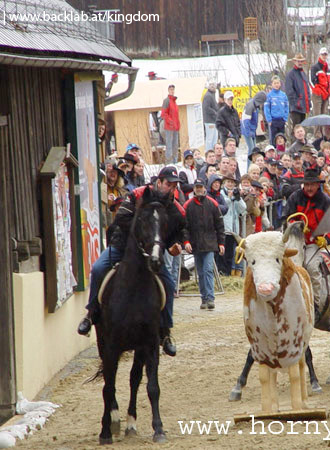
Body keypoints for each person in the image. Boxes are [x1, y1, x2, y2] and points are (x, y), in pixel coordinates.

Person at [78, 166, 187, 358]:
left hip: (153, 253)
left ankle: (166, 331)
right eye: (168, 184)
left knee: (169, 285)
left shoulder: (176, 208)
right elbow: (121, 218)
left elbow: (179, 230)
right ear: (159, 182)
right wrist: (142, 237)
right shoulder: (136, 195)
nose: (171, 189)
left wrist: (176, 244)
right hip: (123, 246)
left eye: (174, 186)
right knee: (98, 268)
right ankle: (91, 313)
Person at [282, 168, 330, 310]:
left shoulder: (326, 201)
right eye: (306, 184)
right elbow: (285, 218)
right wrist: (296, 227)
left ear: (318, 184)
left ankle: (314, 305)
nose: (309, 188)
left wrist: (327, 240)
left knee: (312, 268)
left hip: (313, 242)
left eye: (312, 184)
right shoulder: (295, 197)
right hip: (295, 240)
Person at [183, 178, 225, 310]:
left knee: (208, 270)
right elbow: (184, 227)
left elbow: (219, 225)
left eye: (201, 187)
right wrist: (186, 241)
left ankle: (210, 298)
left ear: (205, 188)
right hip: (195, 244)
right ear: (194, 189)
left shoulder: (212, 204)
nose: (199, 189)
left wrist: (221, 243)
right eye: (197, 187)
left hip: (210, 243)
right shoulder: (187, 206)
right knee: (200, 272)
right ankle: (204, 298)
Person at [219, 175, 246, 276]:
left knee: (231, 255)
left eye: (232, 182)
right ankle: (223, 274)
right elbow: (223, 205)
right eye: (228, 182)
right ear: (224, 183)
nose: (230, 184)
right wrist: (230, 198)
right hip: (225, 229)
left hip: (234, 230)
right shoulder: (221, 193)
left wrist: (238, 198)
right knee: (223, 254)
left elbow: (243, 209)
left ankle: (229, 274)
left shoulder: (235, 193)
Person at [285, 53, 311, 129]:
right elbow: (289, 92)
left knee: (302, 129)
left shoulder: (303, 73)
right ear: (294, 62)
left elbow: (307, 90)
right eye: (298, 61)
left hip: (304, 107)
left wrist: (308, 103)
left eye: (301, 61)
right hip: (295, 108)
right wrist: (297, 103)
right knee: (296, 129)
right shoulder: (290, 74)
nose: (299, 63)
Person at [264, 76, 289, 145]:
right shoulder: (269, 95)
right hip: (273, 121)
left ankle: (282, 153)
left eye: (277, 83)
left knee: (282, 139)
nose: (276, 85)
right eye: (275, 83)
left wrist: (285, 118)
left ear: (280, 84)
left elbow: (286, 107)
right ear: (272, 84)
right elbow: (266, 108)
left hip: (281, 120)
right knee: (274, 139)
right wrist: (269, 120)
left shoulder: (283, 95)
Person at [241, 91, 267, 156]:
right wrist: (248, 132)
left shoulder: (255, 106)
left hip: (252, 131)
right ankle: (249, 165)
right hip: (248, 131)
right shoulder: (250, 105)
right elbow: (245, 120)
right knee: (251, 150)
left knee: (254, 149)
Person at [310, 47, 330, 119]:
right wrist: (318, 91)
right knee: (317, 116)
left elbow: (329, 82)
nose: (324, 56)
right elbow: (312, 81)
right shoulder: (315, 67)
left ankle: (323, 130)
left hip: (325, 94)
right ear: (320, 55)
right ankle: (317, 130)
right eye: (323, 55)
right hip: (318, 94)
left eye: (325, 55)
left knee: (324, 116)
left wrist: (328, 91)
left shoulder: (327, 69)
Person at [161, 84, 180, 164]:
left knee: (175, 145)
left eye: (173, 89)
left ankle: (175, 161)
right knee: (169, 146)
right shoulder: (167, 101)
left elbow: (176, 115)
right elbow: (164, 113)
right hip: (169, 127)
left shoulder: (174, 102)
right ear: (168, 90)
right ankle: (169, 162)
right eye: (171, 89)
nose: (172, 91)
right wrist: (170, 122)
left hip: (175, 127)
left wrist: (178, 124)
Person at [202, 81, 219, 151]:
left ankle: (212, 153)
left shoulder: (212, 95)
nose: (212, 86)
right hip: (209, 121)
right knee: (210, 139)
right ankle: (208, 153)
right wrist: (215, 113)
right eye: (211, 85)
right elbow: (206, 108)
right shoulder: (208, 95)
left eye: (214, 85)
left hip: (213, 120)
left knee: (214, 139)